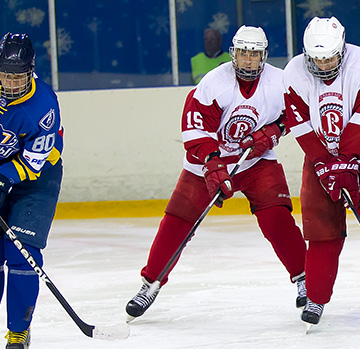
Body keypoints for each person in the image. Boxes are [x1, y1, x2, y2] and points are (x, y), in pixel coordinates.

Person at [126, 25, 306, 321]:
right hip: (206, 164)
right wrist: (212, 164)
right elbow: (195, 128)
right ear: (234, 54)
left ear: (264, 56)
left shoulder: (279, 81)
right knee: (178, 221)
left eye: (255, 54)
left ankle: (304, 278)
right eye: (243, 53)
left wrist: (274, 131)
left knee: (276, 217)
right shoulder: (214, 83)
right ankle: (150, 283)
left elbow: (296, 112)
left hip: (254, 161)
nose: (248, 60)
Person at [283, 16, 360, 327]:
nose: (324, 65)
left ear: (342, 49)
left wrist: (348, 160)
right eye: (317, 59)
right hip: (319, 159)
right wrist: (324, 163)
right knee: (321, 229)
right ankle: (316, 296)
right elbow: (299, 124)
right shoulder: (293, 73)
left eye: (329, 58)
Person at [0, 33, 64, 349]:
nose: (11, 83)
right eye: (6, 75)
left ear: (31, 71)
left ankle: (19, 329)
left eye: (18, 77)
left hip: (36, 177)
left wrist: (3, 180)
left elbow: (35, 159)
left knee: (22, 252)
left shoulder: (43, 106)